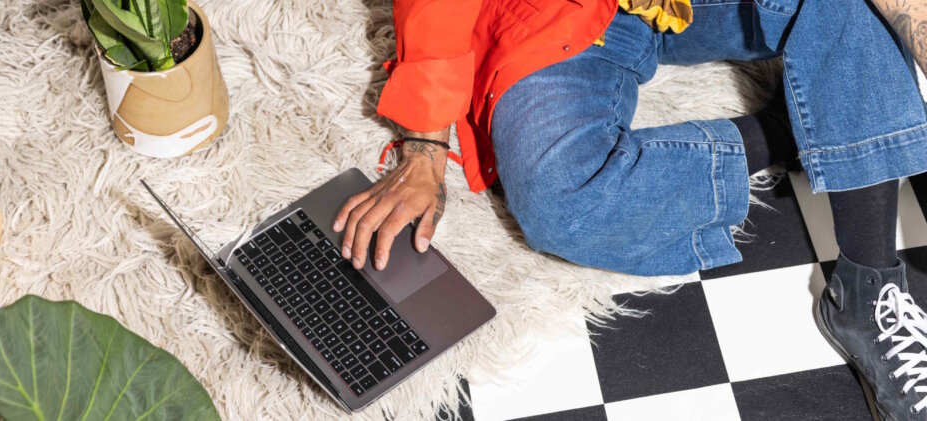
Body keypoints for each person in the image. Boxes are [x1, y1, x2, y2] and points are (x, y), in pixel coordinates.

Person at [334, 0, 927, 416]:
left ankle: (867, 286)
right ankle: (786, 130)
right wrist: (424, 143)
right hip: (563, 13)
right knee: (565, 199)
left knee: (862, 9)